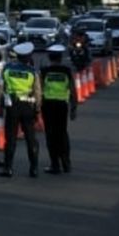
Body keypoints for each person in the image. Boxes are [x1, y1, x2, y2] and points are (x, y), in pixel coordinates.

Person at [0, 42, 42, 178]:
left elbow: (1, 89)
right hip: (27, 107)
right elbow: (37, 93)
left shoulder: (7, 69)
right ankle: (34, 169)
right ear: (28, 56)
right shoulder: (32, 72)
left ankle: (8, 168)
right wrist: (37, 109)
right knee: (31, 138)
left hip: (12, 106)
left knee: (10, 138)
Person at [41, 43, 77, 174]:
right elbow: (73, 89)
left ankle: (55, 164)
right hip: (62, 105)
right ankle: (66, 163)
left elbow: (40, 89)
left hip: (48, 105)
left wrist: (37, 108)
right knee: (62, 133)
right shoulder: (66, 71)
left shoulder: (45, 71)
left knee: (51, 135)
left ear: (50, 57)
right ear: (60, 58)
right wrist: (74, 107)